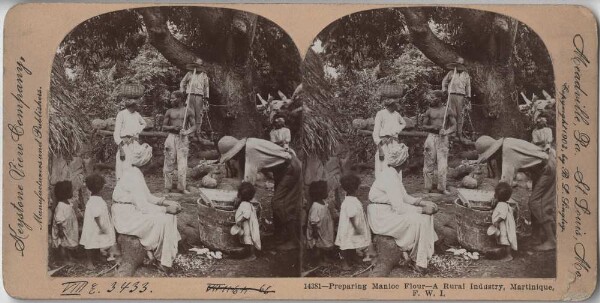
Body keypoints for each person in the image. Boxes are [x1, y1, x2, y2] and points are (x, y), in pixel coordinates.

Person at [218, 136, 302, 251]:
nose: (233, 158)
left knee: (279, 203)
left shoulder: (250, 152)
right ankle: (279, 235)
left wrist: (240, 200)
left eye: (233, 156)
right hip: (282, 169)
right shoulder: (246, 149)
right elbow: (242, 178)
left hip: (291, 168)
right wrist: (238, 195)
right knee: (278, 202)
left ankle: (293, 240)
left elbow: (248, 185)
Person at [476, 135, 556, 251]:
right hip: (540, 169)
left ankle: (551, 240)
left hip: (547, 167)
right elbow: (500, 177)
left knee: (536, 203)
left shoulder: (508, 151)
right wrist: (495, 194)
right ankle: (536, 236)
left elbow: (505, 184)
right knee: (535, 202)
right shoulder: (503, 149)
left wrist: (497, 199)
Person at [367, 143, 439, 272]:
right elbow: (399, 208)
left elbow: (404, 197)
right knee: (421, 220)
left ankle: (423, 253)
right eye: (408, 158)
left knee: (426, 217)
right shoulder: (389, 177)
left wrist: (422, 203)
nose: (409, 160)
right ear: (403, 161)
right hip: (381, 216)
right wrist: (422, 210)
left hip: (388, 210)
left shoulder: (393, 173)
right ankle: (419, 261)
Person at [111, 145, 183, 270]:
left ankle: (167, 254)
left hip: (132, 210)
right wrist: (166, 209)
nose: (152, 161)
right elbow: (143, 207)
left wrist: (165, 202)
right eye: (151, 159)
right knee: (163, 219)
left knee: (169, 216)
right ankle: (163, 260)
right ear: (146, 161)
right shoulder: (132, 176)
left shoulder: (136, 172)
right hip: (125, 216)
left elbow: (147, 197)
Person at [421, 90, 457, 195]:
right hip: (431, 138)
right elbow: (423, 126)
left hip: (443, 139)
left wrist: (446, 131)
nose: (431, 100)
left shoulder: (447, 110)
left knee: (442, 166)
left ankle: (442, 188)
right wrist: (433, 127)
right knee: (428, 163)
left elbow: (454, 126)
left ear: (439, 99)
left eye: (433, 98)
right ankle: (427, 187)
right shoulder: (429, 111)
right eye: (431, 98)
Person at [162, 90, 196, 194]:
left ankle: (182, 187)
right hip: (171, 138)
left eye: (173, 98)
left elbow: (195, 126)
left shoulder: (188, 111)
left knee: (182, 164)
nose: (171, 100)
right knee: (169, 161)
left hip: (182, 138)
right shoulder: (169, 111)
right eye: (171, 98)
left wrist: (186, 132)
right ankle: (167, 186)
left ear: (180, 99)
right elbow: (163, 127)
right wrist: (172, 127)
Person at [80, 174, 117, 269]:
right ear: (101, 188)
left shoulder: (95, 199)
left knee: (96, 241)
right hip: (95, 226)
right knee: (90, 242)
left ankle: (97, 255)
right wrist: (101, 227)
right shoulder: (96, 201)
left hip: (96, 225)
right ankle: (89, 261)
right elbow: (96, 216)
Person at [335, 174, 371, 270]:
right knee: (346, 244)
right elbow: (351, 216)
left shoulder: (351, 199)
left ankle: (353, 257)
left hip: (352, 226)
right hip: (350, 227)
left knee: (352, 243)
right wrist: (356, 228)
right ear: (356, 188)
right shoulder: (350, 202)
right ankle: (344, 262)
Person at [372, 96, 406, 179]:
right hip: (384, 143)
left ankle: (395, 188)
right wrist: (380, 149)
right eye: (396, 104)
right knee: (383, 166)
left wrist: (395, 131)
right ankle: (383, 189)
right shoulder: (381, 114)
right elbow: (376, 132)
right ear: (391, 105)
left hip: (394, 143)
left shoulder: (397, 114)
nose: (398, 106)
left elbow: (403, 123)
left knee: (395, 165)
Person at [113, 97, 147, 181]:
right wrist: (121, 149)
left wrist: (136, 132)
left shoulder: (137, 115)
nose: (138, 106)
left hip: (134, 143)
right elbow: (117, 132)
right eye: (137, 105)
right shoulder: (122, 114)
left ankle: (132, 187)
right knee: (122, 166)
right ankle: (123, 187)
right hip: (124, 143)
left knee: (133, 166)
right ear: (132, 106)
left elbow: (144, 124)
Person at [442, 57, 471, 143]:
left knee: (460, 115)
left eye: (461, 64)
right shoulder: (451, 73)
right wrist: (444, 90)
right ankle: (452, 132)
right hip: (452, 94)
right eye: (458, 64)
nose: (459, 66)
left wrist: (468, 96)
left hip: (461, 96)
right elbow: (444, 81)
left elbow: (468, 86)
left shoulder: (466, 75)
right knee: (452, 113)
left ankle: (460, 133)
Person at [306, 181, 335, 266]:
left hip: (323, 228)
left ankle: (324, 258)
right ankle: (319, 261)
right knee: (318, 246)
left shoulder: (323, 202)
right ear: (319, 193)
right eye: (325, 191)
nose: (327, 192)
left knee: (323, 244)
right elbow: (313, 221)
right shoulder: (315, 206)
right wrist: (315, 232)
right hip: (317, 230)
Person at [180, 59, 209, 139]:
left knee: (198, 114)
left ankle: (198, 131)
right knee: (190, 113)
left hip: (199, 96)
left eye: (199, 65)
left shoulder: (204, 75)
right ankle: (190, 132)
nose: (197, 67)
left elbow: (206, 87)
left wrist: (206, 97)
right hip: (190, 95)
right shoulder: (189, 73)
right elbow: (183, 82)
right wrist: (182, 91)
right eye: (196, 65)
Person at [488, 182, 518, 261]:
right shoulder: (503, 203)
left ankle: (509, 255)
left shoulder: (502, 205)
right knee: (503, 240)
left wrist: (497, 221)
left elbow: (503, 215)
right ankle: (504, 253)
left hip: (503, 226)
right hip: (503, 225)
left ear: (496, 195)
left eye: (495, 194)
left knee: (505, 240)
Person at [51, 181, 79, 264]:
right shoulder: (60, 206)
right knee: (63, 244)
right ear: (65, 193)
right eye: (70, 191)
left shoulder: (67, 203)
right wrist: (60, 230)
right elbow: (59, 219)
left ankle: (69, 257)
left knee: (68, 244)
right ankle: (64, 260)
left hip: (68, 228)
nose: (72, 192)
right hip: (63, 228)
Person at [232, 182, 261, 260]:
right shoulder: (247, 203)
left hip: (247, 225)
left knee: (248, 238)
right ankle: (249, 252)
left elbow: (246, 216)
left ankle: (252, 255)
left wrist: (240, 221)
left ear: (240, 195)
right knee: (248, 238)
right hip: (248, 224)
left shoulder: (244, 204)